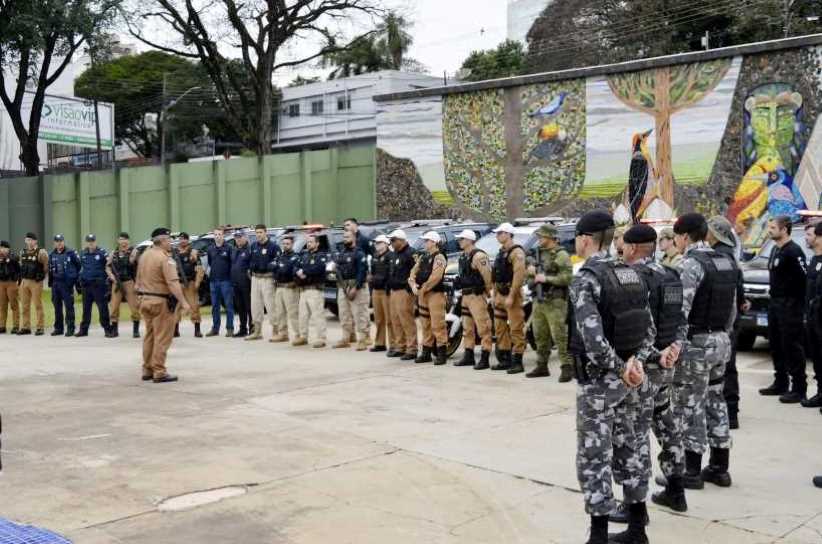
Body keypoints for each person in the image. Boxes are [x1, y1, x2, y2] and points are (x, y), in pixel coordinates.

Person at [567, 210, 655, 544]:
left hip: (600, 384)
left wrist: (620, 367)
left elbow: (592, 340)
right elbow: (649, 331)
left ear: (585, 239)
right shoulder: (631, 273)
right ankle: (637, 529)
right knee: (629, 449)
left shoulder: (587, 279)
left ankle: (599, 536)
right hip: (630, 383)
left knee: (595, 457)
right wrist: (635, 364)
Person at [654, 213, 737, 511]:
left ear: (684, 237)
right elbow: (732, 308)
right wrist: (724, 335)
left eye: (676, 237)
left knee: (690, 405)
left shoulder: (691, 264)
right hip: (721, 341)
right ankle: (720, 467)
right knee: (716, 400)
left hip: (697, 344)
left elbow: (681, 310)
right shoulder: (726, 261)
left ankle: (691, 470)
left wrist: (672, 345)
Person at [611, 224, 686, 524]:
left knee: (635, 434)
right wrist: (674, 348)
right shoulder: (671, 274)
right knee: (667, 423)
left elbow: (638, 326)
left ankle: (634, 507)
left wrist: (644, 358)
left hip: (643, 367)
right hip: (667, 364)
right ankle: (676, 490)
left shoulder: (634, 277)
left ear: (631, 247)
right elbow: (681, 318)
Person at [759, 215, 808, 403]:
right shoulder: (775, 249)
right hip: (775, 303)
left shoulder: (794, 251)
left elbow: (804, 279)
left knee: (792, 346)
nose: (769, 231)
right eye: (769, 227)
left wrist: (797, 304)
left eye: (773, 227)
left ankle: (799, 388)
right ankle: (780, 382)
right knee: (776, 344)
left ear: (784, 229)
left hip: (791, 305)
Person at [706, 216, 747, 429]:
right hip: (729, 318)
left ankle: (730, 411)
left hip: (724, 320)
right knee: (726, 366)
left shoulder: (720, 256)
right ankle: (730, 411)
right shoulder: (729, 254)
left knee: (725, 367)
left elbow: (732, 291)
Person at [135, 227, 191, 383]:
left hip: (145, 300)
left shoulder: (145, 255)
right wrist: (184, 302)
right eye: (169, 239)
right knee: (162, 337)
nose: (171, 242)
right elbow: (173, 283)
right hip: (160, 302)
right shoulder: (165, 258)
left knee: (150, 336)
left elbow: (137, 280)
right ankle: (159, 371)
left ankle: (147, 369)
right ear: (163, 240)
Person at [527, 224, 573, 380]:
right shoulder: (537, 254)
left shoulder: (561, 255)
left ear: (550, 237)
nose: (539, 239)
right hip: (539, 300)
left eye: (542, 236)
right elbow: (530, 277)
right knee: (539, 334)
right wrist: (531, 272)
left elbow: (567, 278)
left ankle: (567, 367)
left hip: (555, 301)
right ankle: (542, 365)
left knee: (559, 335)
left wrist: (546, 279)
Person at [490, 223, 527, 373]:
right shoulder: (501, 252)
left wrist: (511, 296)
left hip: (512, 294)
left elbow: (519, 275)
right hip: (500, 293)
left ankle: (518, 361)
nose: (497, 236)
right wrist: (494, 294)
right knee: (500, 328)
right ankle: (505, 359)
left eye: (500, 233)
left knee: (516, 328)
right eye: (497, 233)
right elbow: (495, 275)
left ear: (508, 234)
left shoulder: (516, 252)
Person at [453, 229, 493, 369]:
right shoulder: (463, 256)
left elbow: (487, 276)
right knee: (467, 327)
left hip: (476, 296)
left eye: (462, 239)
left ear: (470, 240)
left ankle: (485, 356)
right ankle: (468, 355)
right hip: (466, 295)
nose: (459, 241)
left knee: (483, 327)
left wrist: (488, 293)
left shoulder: (479, 256)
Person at [409, 231, 448, 365]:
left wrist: (423, 288)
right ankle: (426, 352)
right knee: (425, 324)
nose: (425, 243)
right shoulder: (423, 257)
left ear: (434, 242)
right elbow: (413, 271)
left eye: (427, 241)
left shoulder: (439, 257)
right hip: (422, 295)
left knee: (438, 324)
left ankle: (442, 353)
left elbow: (436, 277)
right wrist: (413, 284)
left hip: (434, 295)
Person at [333, 230, 369, 350]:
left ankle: (362, 339)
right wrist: (343, 286)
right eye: (344, 237)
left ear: (354, 238)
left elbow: (362, 272)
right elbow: (337, 269)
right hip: (343, 287)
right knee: (344, 314)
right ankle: (346, 338)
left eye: (347, 237)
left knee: (359, 314)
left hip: (357, 288)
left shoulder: (359, 253)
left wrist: (356, 287)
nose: (345, 239)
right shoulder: (341, 253)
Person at [387, 229, 418, 361]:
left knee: (406, 320)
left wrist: (409, 288)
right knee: (396, 320)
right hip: (394, 291)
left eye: (393, 240)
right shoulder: (395, 254)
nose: (391, 243)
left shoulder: (411, 253)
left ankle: (412, 348)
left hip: (404, 291)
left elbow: (416, 272)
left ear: (401, 240)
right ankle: (400, 346)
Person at [246, 224, 280, 341]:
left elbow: (277, 262)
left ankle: (276, 330)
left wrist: (269, 268)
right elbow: (250, 260)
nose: (258, 235)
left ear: (265, 232)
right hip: (255, 279)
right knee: (255, 305)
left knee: (271, 305)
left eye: (260, 232)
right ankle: (257, 331)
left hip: (267, 279)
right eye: (257, 233)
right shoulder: (253, 246)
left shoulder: (273, 247)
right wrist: (251, 267)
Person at [294, 234, 328, 348]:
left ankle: (321, 338)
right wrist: (298, 272)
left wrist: (304, 272)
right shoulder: (304, 255)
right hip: (303, 290)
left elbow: (318, 268)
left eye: (311, 242)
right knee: (302, 315)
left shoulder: (321, 255)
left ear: (317, 243)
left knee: (318, 315)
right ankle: (303, 336)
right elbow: (295, 266)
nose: (308, 244)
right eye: (307, 242)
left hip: (315, 290)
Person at [76, 234, 114, 338]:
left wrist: (109, 279)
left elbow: (109, 265)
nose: (91, 243)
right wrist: (80, 279)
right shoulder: (82, 253)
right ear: (86, 243)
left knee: (102, 308)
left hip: (99, 286)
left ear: (95, 242)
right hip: (86, 285)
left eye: (92, 241)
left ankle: (107, 329)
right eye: (89, 241)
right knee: (86, 309)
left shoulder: (102, 253)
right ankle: (84, 330)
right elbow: (80, 267)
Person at [106, 232, 141, 338]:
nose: (123, 241)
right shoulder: (114, 253)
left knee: (134, 307)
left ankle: (136, 330)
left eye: (125, 239)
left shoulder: (134, 252)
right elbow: (107, 267)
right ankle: (114, 330)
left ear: (128, 241)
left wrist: (138, 282)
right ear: (118, 241)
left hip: (129, 282)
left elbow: (140, 267)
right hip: (116, 283)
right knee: (114, 307)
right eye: (121, 239)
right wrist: (111, 276)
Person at [802, 222, 822, 409]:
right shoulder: (814, 260)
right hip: (812, 318)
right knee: (816, 356)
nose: (807, 238)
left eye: (810, 235)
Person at [48, 234, 80, 337]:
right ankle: (58, 328)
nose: (59, 243)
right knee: (57, 307)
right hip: (56, 283)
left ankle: (70, 328)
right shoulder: (52, 254)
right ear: (54, 243)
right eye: (57, 241)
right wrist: (51, 283)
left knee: (69, 307)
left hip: (66, 284)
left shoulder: (71, 253)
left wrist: (75, 281)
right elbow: (50, 269)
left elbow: (78, 266)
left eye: (61, 241)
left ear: (63, 242)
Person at [17, 232, 49, 335]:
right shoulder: (22, 252)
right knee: (24, 306)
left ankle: (40, 327)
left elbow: (46, 265)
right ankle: (26, 327)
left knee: (37, 305)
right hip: (24, 281)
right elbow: (21, 265)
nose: (29, 242)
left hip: (36, 282)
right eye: (27, 240)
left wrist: (41, 276)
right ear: (25, 241)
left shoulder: (41, 252)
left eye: (31, 240)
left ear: (35, 241)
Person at [206, 227, 235, 337]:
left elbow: (232, 264)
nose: (217, 236)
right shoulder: (210, 249)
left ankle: (230, 328)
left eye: (219, 234)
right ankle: (215, 328)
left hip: (226, 281)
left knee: (228, 305)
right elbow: (210, 263)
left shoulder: (229, 248)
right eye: (216, 235)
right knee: (215, 306)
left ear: (223, 236)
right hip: (213, 281)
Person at [270, 235, 300, 343]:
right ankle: (283, 334)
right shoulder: (280, 256)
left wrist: (280, 267)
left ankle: (299, 335)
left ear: (292, 244)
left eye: (288, 244)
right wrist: (280, 268)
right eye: (284, 244)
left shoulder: (296, 257)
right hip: (279, 287)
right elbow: (271, 266)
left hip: (290, 288)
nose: (285, 245)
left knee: (293, 313)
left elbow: (287, 270)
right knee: (280, 312)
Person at [369, 235, 395, 353]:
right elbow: (373, 272)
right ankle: (380, 343)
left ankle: (394, 344)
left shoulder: (390, 256)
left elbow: (390, 274)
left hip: (386, 291)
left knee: (390, 319)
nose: (377, 245)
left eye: (379, 243)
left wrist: (388, 287)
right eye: (376, 243)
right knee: (378, 319)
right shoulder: (375, 256)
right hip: (376, 290)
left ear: (386, 244)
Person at [174, 233, 204, 337]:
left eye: (184, 239)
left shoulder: (193, 252)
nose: (182, 241)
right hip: (178, 283)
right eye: (180, 239)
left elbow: (199, 269)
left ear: (188, 240)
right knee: (176, 307)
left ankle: (197, 329)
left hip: (190, 283)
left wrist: (197, 282)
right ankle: (175, 330)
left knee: (194, 306)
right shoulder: (175, 252)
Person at [230, 231, 253, 338]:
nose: (238, 239)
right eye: (236, 237)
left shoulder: (249, 250)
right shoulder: (234, 250)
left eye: (240, 237)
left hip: (246, 283)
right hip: (236, 283)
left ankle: (252, 328)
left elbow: (252, 266)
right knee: (240, 307)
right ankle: (243, 329)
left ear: (245, 238)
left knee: (249, 307)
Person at [0, 240, 20, 334]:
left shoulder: (13, 256)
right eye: (1, 247)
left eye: (4, 248)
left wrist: (8, 259)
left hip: (11, 282)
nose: (2, 249)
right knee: (2, 305)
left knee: (14, 305)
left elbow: (17, 263)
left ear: (8, 248)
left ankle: (16, 326)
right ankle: (2, 326)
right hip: (1, 283)